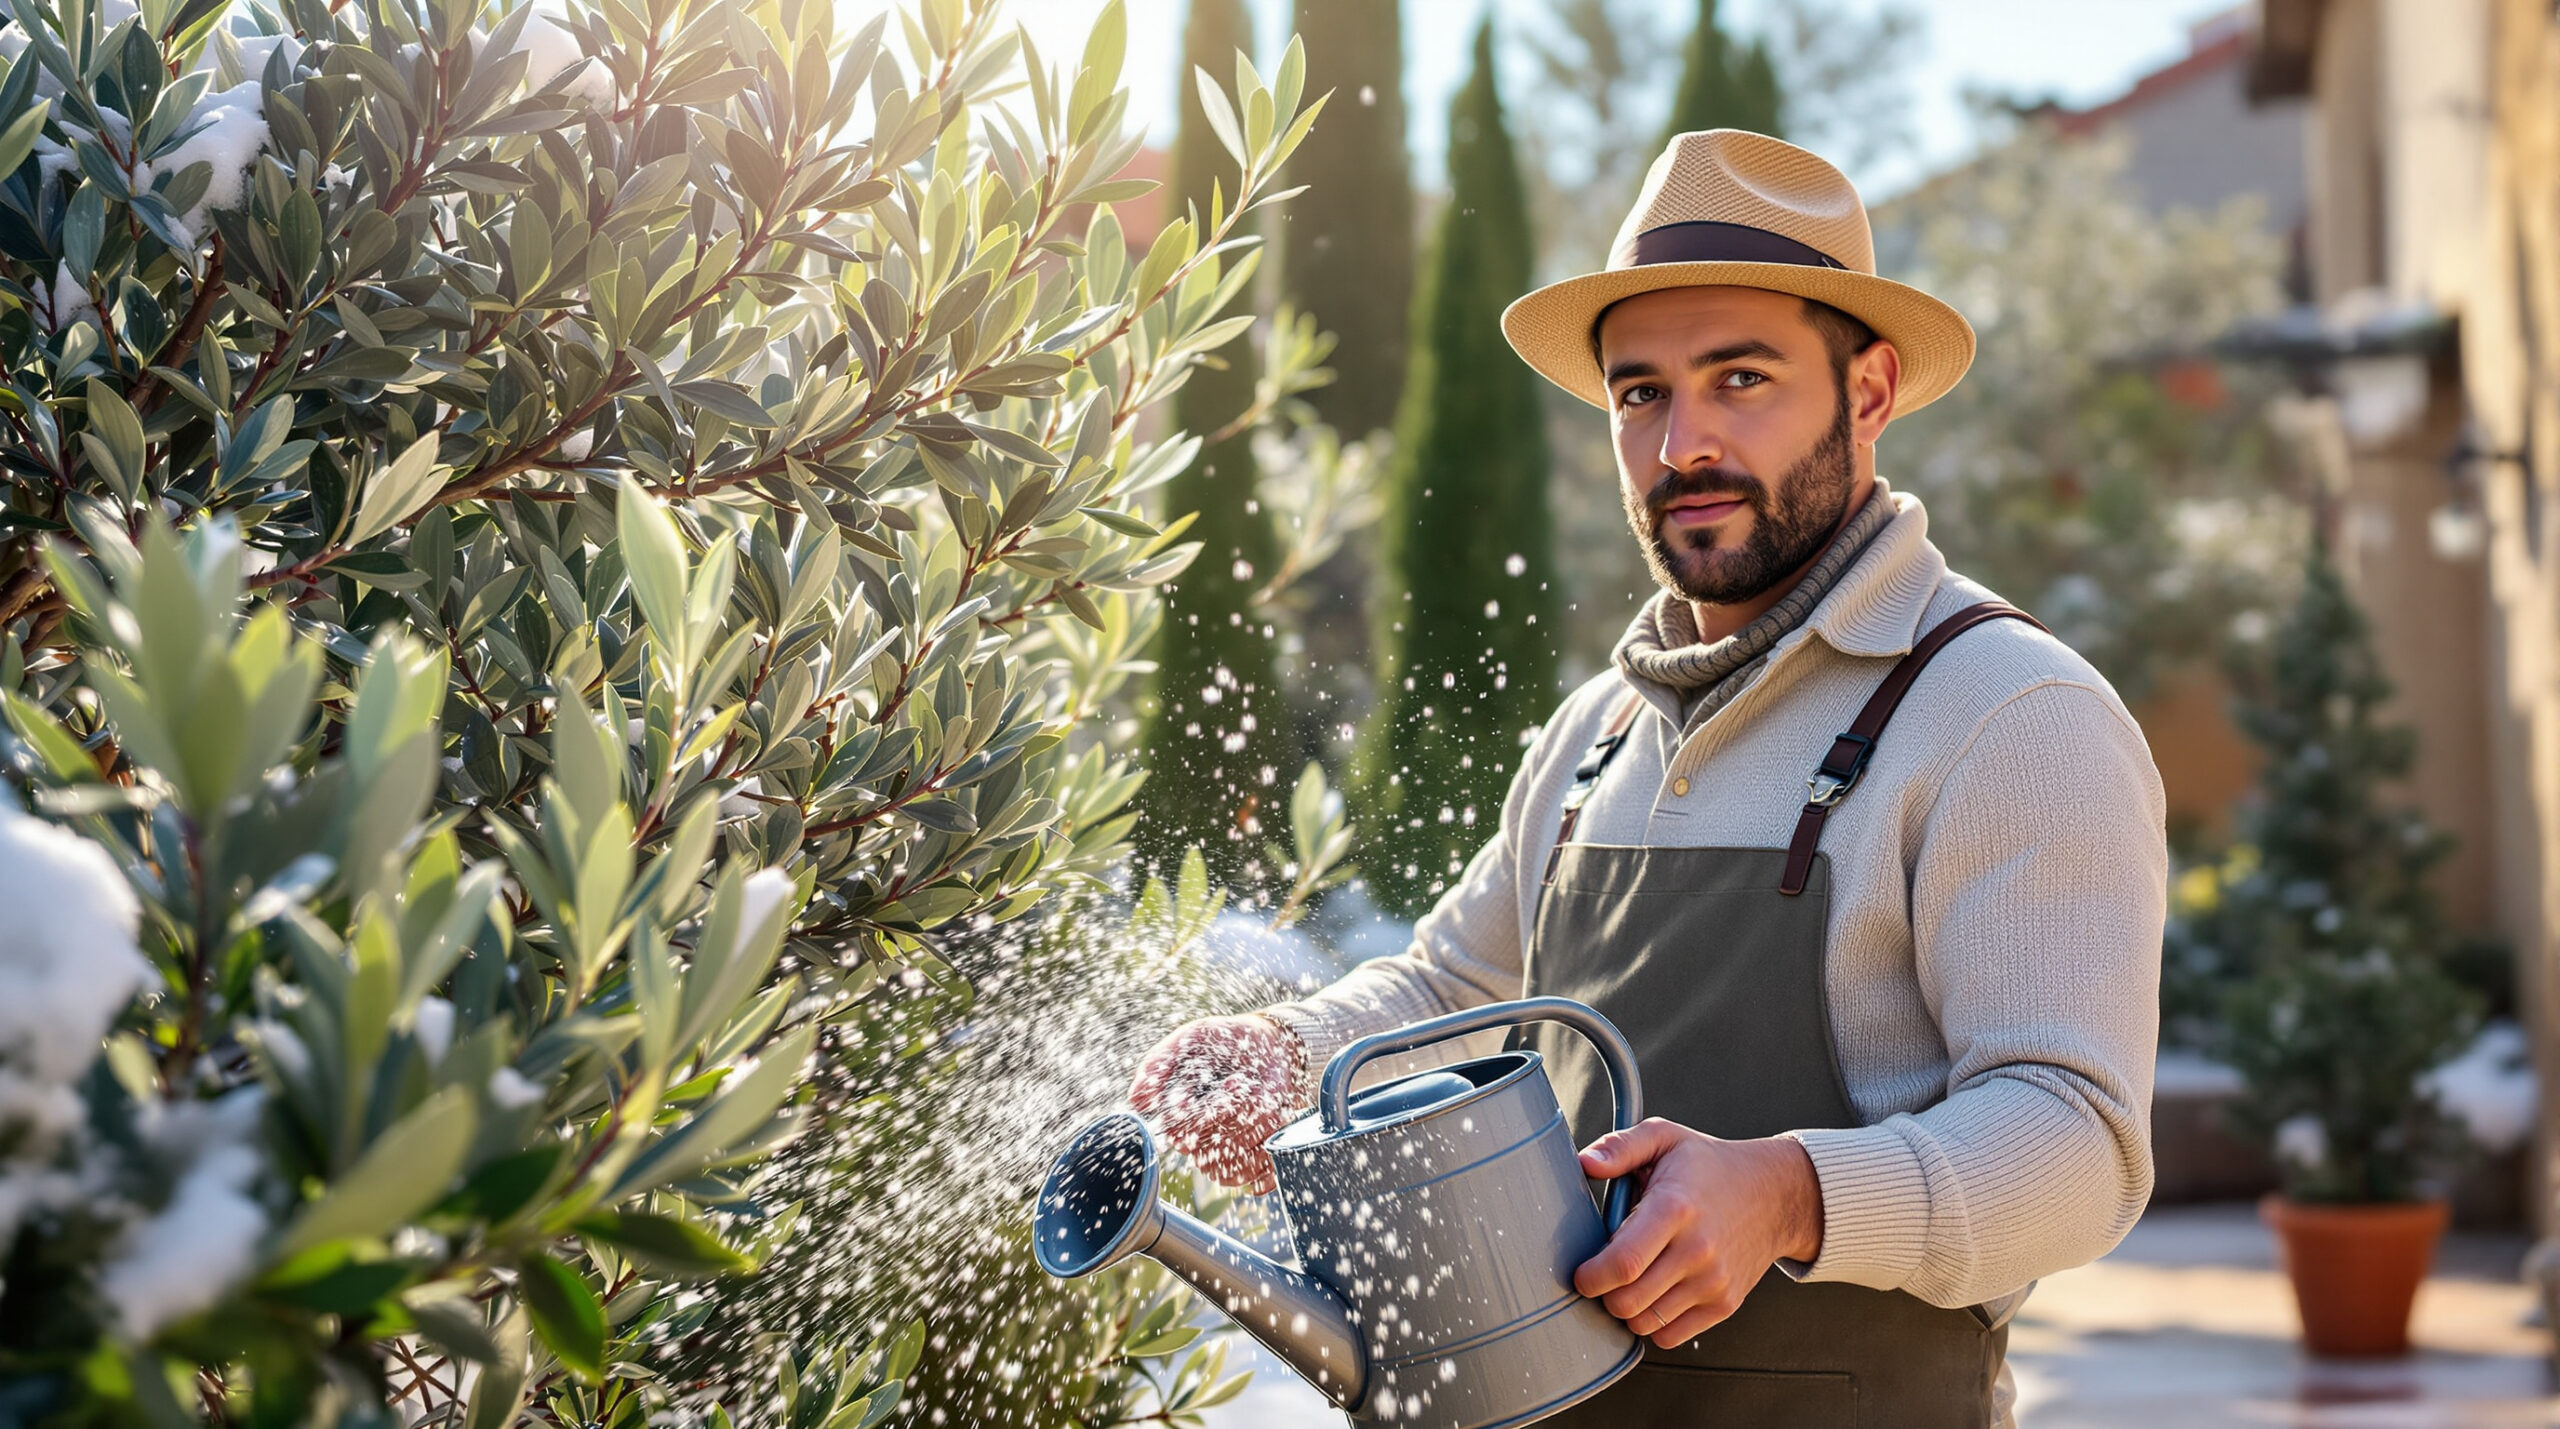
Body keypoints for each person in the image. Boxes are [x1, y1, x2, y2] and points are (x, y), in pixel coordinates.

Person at [1128, 129, 2164, 1428]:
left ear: (1870, 390)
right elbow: (1455, 990)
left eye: (1743, 378)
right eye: (1641, 394)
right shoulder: (1596, 735)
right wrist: (1288, 1052)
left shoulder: (2007, 714)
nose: (1682, 443)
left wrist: (1790, 1194)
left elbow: (2078, 1142)